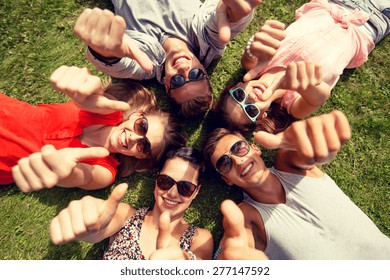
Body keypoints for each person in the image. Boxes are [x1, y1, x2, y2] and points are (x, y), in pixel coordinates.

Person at [203, 110, 390, 259]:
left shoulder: (289, 165)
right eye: (224, 163)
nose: (237, 160)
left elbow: (300, 151)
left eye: (238, 148)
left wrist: (311, 145)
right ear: (226, 179)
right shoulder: (246, 216)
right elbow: (236, 247)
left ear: (255, 148)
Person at [213, 0, 390, 135]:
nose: (250, 97)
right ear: (262, 116)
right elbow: (320, 96)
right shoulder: (294, 105)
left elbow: (251, 54)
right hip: (369, 26)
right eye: (251, 109)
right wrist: (301, 83)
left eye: (239, 96)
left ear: (237, 87)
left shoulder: (255, 65)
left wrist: (254, 47)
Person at [1, 66, 186, 192]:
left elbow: (83, 177)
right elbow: (93, 98)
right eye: (142, 126)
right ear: (137, 116)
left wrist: (66, 173)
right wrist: (86, 86)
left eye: (144, 146)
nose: (133, 138)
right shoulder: (107, 110)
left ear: (141, 156)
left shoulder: (105, 171)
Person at [73, 0, 263, 117]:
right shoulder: (208, 41)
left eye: (179, 81)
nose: (184, 70)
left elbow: (121, 65)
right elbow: (225, 18)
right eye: (196, 75)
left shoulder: (145, 65)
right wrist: (236, 12)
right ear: (205, 71)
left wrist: (105, 52)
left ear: (165, 84)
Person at [50, 147, 214, 260]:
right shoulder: (127, 215)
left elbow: (199, 262)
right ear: (156, 180)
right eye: (166, 181)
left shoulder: (199, 238)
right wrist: (88, 225)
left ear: (196, 191)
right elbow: (98, 228)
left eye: (185, 187)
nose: (172, 192)